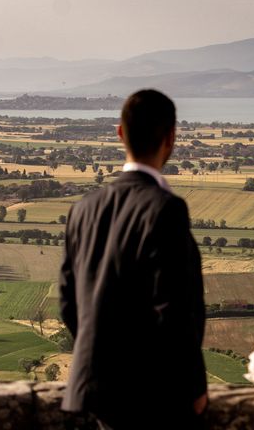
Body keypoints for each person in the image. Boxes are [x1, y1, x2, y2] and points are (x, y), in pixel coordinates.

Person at [59, 89, 208, 429]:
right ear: (171, 138)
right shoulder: (165, 208)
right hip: (151, 398)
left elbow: (69, 303)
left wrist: (98, 362)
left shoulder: (82, 209)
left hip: (92, 392)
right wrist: (195, 386)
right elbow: (176, 308)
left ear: (120, 133)